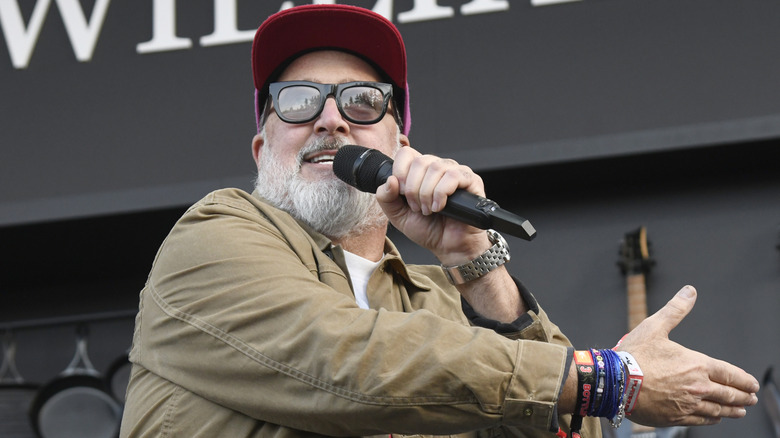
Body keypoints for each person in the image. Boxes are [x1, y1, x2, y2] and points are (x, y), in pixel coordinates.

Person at [119, 4, 759, 438]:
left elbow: (569, 427)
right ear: (263, 148)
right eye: (297, 101)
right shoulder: (213, 237)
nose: (331, 119)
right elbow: (348, 364)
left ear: (400, 149)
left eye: (363, 102)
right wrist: (612, 377)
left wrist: (476, 264)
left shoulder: (439, 303)